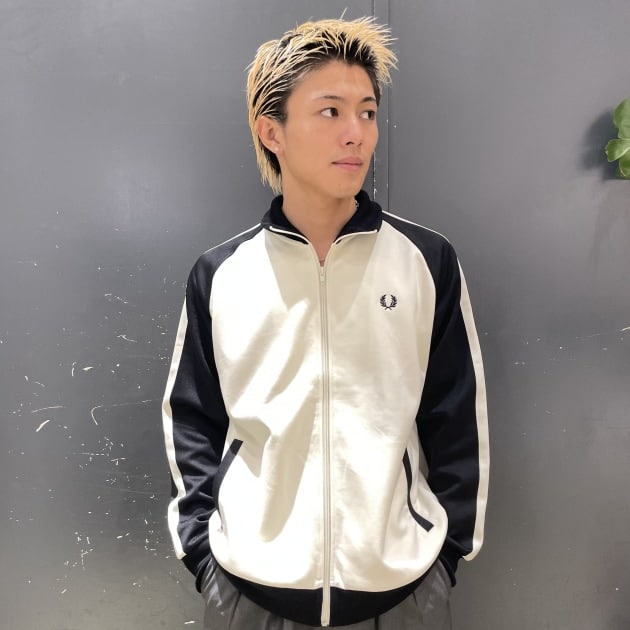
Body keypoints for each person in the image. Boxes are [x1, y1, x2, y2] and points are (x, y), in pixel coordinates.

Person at [162, 16, 489, 630]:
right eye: (331, 111)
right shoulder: (222, 273)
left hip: (403, 594)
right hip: (248, 595)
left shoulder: (425, 261)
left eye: (367, 113)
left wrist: (446, 557)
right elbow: (193, 419)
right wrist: (205, 556)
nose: (356, 133)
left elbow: (456, 417)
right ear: (272, 131)